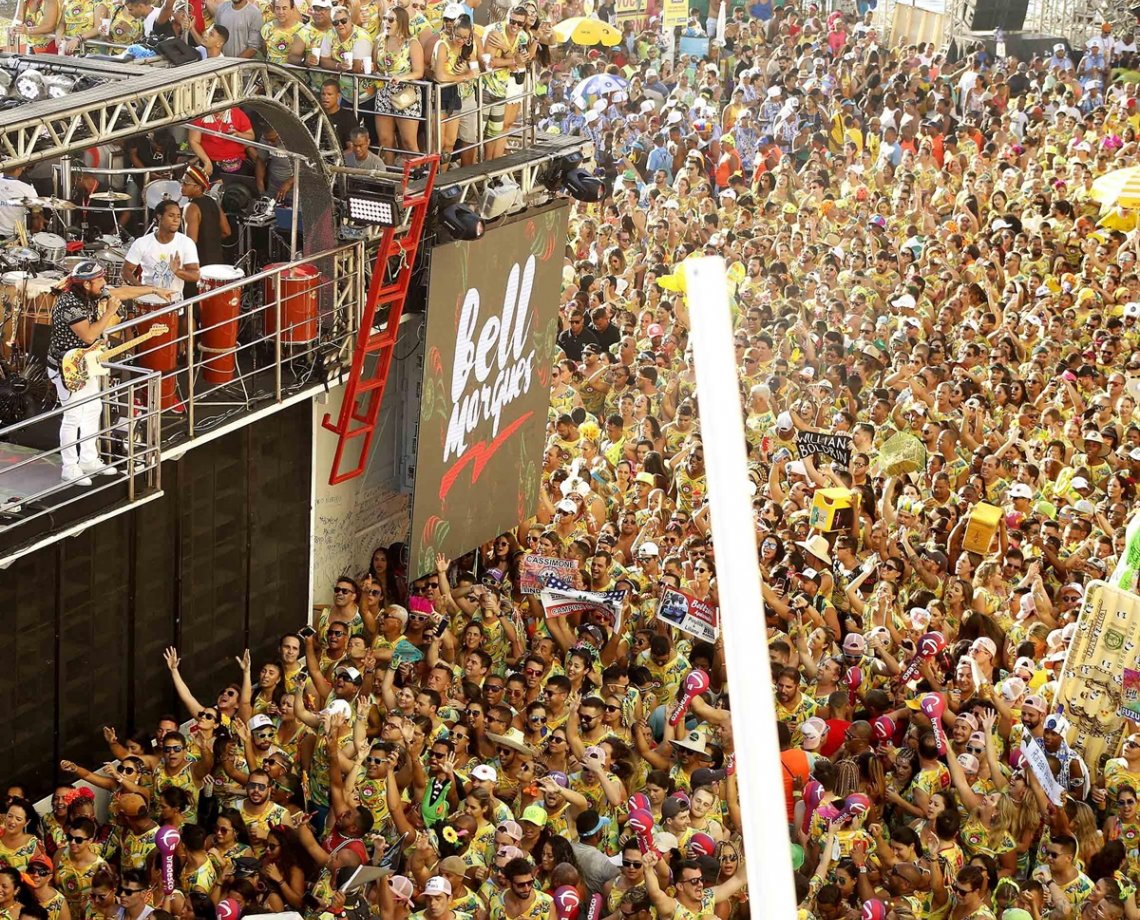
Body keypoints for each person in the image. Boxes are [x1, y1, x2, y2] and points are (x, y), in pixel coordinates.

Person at [45, 262, 172, 486]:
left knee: (93, 408)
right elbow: (88, 335)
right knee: (74, 415)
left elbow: (121, 291)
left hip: (85, 361)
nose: (104, 283)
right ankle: (70, 467)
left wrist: (154, 290)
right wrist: (110, 312)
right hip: (67, 366)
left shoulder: (89, 292)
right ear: (86, 284)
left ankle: (89, 459)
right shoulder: (69, 305)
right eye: (100, 280)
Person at [371, 5, 424, 162]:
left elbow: (419, 72)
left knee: (408, 142)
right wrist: (372, 70)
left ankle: (418, 177)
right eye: (385, 19)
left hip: (406, 94)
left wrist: (402, 77)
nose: (386, 22)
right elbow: (376, 65)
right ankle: (390, 178)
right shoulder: (379, 40)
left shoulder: (412, 43)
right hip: (384, 93)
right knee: (385, 141)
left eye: (391, 20)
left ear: (401, 22)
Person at [123, 200, 201, 299]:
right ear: (159, 217)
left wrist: (177, 271)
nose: (176, 220)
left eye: (178, 216)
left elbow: (195, 275)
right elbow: (125, 271)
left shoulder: (186, 243)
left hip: (174, 303)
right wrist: (141, 288)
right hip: (147, 303)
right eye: (171, 215)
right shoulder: (142, 242)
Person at [180, 164, 229, 273]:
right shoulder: (213, 202)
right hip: (217, 261)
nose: (181, 186)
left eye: (185, 183)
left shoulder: (190, 207)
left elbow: (191, 242)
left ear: (198, 187)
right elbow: (226, 231)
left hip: (199, 265)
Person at [187, 107, 256, 180]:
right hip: (211, 163)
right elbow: (194, 141)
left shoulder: (237, 113)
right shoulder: (201, 115)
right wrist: (206, 162)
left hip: (237, 163)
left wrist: (238, 134)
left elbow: (251, 136)